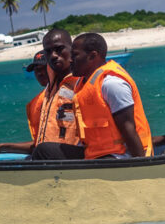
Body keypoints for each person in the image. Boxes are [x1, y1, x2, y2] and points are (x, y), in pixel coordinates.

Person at [44, 32, 152, 160]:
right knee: (44, 151)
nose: (70, 59)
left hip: (120, 156)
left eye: (75, 55)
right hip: (95, 154)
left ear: (92, 56)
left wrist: (140, 165)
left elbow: (129, 129)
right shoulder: (81, 83)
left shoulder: (111, 84)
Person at [26, 29, 82, 159]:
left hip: (77, 157)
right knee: (38, 152)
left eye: (59, 49)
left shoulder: (81, 82)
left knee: (42, 150)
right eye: (48, 51)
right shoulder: (49, 91)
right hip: (52, 157)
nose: (53, 55)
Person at [0, 50, 51, 155]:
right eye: (36, 70)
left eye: (44, 68)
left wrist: (3, 146)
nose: (40, 73)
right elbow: (39, 144)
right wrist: (2, 146)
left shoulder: (65, 96)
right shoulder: (39, 101)